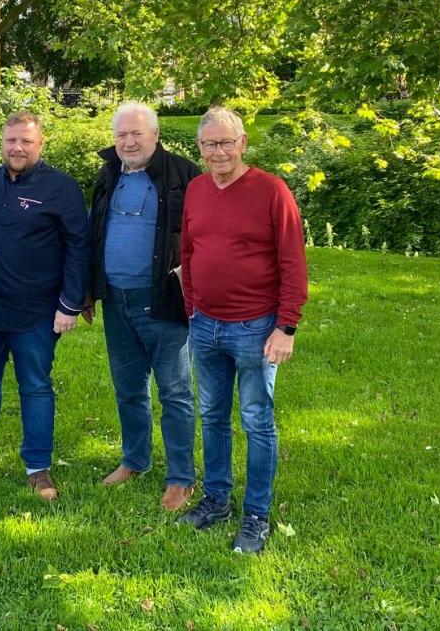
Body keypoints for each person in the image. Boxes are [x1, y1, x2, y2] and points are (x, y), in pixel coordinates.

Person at [176, 106, 308, 554]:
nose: (218, 152)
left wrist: (286, 326)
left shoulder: (271, 191)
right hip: (206, 325)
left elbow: (293, 262)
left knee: (257, 421)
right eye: (209, 144)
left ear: (243, 143)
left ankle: (256, 515)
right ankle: (215, 499)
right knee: (212, 417)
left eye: (226, 143)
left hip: (255, 327)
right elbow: (189, 251)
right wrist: (192, 307)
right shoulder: (195, 189)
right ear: (199, 147)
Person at [0, 111, 90, 501]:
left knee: (36, 386)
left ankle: (38, 467)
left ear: (40, 144)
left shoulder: (61, 187)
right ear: (2, 143)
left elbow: (79, 247)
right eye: (11, 140)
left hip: (38, 310)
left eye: (26, 141)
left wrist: (70, 303)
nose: (18, 148)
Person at [86, 101, 201, 512]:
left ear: (155, 134)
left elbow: (205, 235)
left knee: (175, 392)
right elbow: (93, 231)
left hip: (164, 299)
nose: (129, 142)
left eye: (137, 133)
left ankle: (181, 478)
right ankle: (135, 460)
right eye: (122, 135)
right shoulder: (108, 175)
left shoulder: (184, 174)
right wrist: (87, 291)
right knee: (129, 388)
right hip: (117, 300)